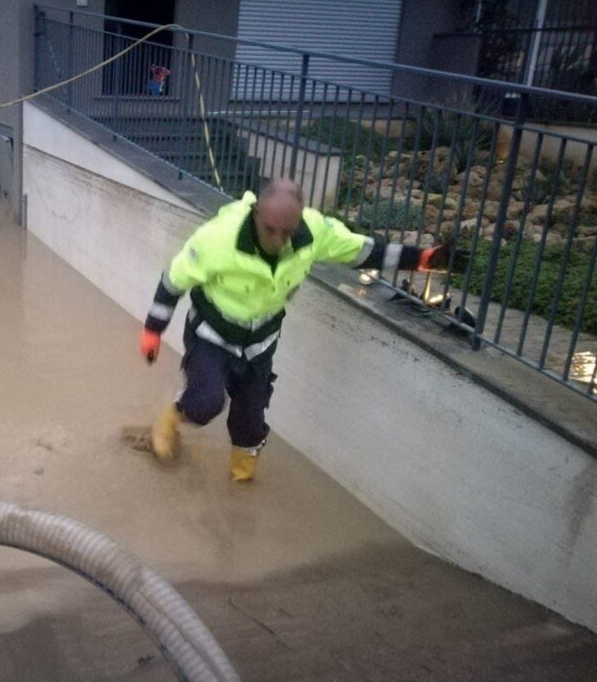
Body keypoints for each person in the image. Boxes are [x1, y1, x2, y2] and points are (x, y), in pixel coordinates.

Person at [140, 178, 458, 482]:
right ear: (256, 214)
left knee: (251, 420)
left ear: (300, 221)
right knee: (206, 402)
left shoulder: (313, 232)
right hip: (211, 333)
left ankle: (241, 476)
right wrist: (153, 330)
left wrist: (424, 259)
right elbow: (174, 280)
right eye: (270, 230)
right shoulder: (218, 238)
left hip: (259, 344)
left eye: (287, 232)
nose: (278, 241)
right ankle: (172, 415)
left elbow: (364, 251)